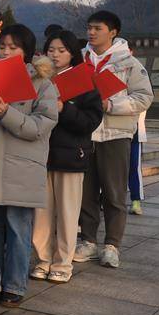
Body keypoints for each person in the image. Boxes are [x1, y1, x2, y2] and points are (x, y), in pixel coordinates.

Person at [0, 24, 58, 307]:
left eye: (13, 47)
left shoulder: (42, 84)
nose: (5, 52)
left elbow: (40, 127)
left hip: (21, 169)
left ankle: (15, 286)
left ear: (26, 52)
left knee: (18, 230)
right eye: (2, 46)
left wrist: (6, 112)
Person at [74, 10, 154, 269]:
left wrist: (112, 105)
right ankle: (88, 241)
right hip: (84, 134)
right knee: (85, 192)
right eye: (89, 27)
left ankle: (112, 245)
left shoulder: (128, 63)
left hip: (115, 135)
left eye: (97, 28)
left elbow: (144, 97)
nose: (91, 32)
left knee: (114, 193)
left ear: (113, 32)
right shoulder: (79, 59)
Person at [32, 29, 102, 283]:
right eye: (51, 50)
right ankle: (43, 259)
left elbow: (91, 121)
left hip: (71, 156)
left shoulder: (84, 80)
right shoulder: (39, 79)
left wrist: (64, 109)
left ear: (72, 54)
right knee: (41, 213)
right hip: (41, 155)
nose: (55, 55)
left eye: (62, 50)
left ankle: (62, 263)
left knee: (67, 214)